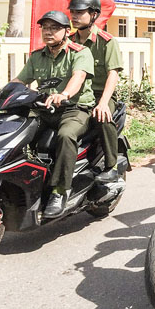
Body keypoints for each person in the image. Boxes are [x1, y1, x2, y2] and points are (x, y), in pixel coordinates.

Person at [12, 11, 95, 217]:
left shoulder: (80, 52)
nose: (48, 32)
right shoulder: (37, 56)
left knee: (66, 136)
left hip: (74, 109)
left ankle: (60, 191)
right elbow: (19, 81)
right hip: (44, 110)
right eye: (45, 28)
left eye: (54, 28)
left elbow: (79, 76)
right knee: (17, 131)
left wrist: (64, 94)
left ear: (67, 31)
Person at [68, 0, 123, 183]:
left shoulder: (106, 41)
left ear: (93, 15)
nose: (74, 16)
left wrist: (104, 103)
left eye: (80, 12)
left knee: (103, 118)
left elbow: (113, 74)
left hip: (101, 94)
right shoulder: (68, 41)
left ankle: (111, 165)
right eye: (73, 12)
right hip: (76, 95)